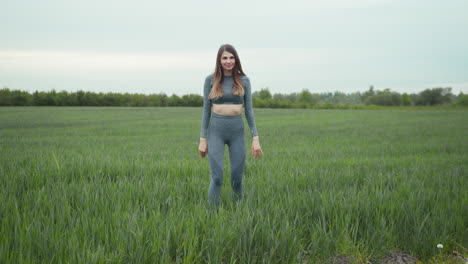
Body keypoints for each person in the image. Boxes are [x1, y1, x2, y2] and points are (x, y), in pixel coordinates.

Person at [198, 44, 263, 207]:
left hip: (237, 132)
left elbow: (249, 111)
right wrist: (202, 139)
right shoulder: (210, 80)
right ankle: (211, 216)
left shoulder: (244, 80)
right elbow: (206, 111)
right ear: (219, 61)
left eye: (231, 57)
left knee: (237, 178)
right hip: (216, 132)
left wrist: (255, 138)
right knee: (217, 177)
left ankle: (238, 213)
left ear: (236, 59)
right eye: (225, 58)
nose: (228, 61)